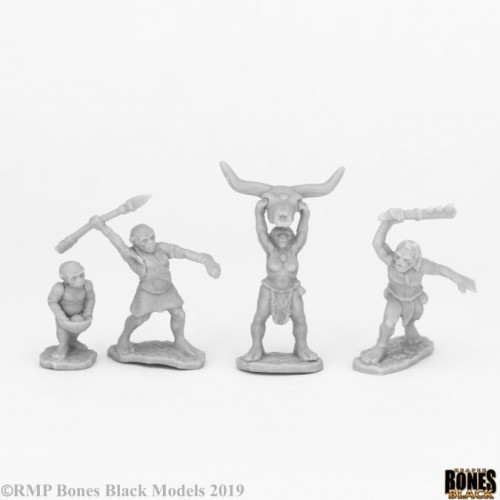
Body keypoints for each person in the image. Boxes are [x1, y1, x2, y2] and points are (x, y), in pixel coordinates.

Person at [89, 216, 220, 355]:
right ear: (134, 242)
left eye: (152, 237)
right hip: (147, 291)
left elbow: (184, 252)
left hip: (167, 289)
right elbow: (118, 243)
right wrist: (102, 227)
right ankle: (123, 339)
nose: (151, 242)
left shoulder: (161, 248)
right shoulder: (132, 255)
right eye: (145, 240)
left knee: (179, 314)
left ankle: (180, 341)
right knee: (139, 318)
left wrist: (205, 260)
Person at [361, 208, 476, 365]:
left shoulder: (421, 266)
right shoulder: (390, 260)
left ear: (415, 261)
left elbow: (440, 269)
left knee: (415, 316)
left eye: (406, 260)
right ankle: (380, 347)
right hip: (395, 297)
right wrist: (387, 224)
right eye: (398, 256)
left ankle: (410, 330)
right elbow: (377, 244)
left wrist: (459, 279)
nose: (399, 262)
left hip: (414, 298)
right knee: (388, 323)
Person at [244, 198, 317, 362]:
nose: (283, 235)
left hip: (292, 290)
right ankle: (256, 347)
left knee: (300, 320)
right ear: (271, 238)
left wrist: (305, 214)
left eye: (286, 233)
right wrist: (259, 211)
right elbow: (261, 231)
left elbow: (303, 232)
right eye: (278, 234)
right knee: (259, 319)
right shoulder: (270, 250)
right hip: (269, 289)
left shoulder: (294, 249)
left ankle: (302, 347)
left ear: (292, 237)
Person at [47, 261, 95, 360]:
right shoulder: (59, 288)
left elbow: (90, 298)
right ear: (63, 277)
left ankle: (72, 341)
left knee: (76, 328)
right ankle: (62, 346)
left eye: (81, 275)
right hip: (64, 315)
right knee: (62, 330)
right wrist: (61, 316)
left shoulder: (87, 285)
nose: (80, 280)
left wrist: (87, 312)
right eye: (74, 277)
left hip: (79, 315)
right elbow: (52, 302)